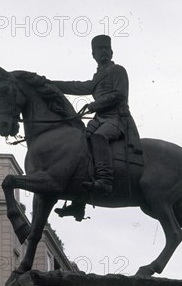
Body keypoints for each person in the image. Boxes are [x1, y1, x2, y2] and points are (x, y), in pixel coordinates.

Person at [51, 35, 140, 220]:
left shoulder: (118, 70)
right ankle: (79, 204)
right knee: (79, 146)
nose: (104, 52)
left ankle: (106, 181)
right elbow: (78, 86)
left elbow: (119, 95)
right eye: (100, 50)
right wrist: (51, 84)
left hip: (117, 120)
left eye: (107, 49)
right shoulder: (97, 77)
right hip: (100, 119)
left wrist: (94, 106)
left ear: (112, 52)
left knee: (99, 138)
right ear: (94, 54)